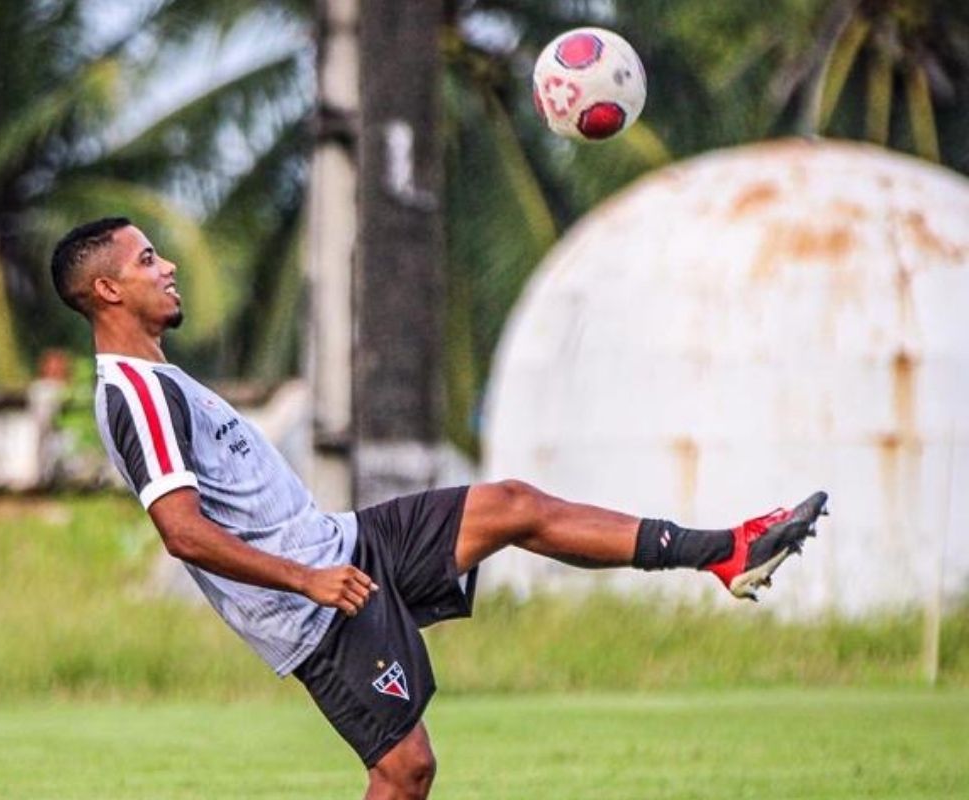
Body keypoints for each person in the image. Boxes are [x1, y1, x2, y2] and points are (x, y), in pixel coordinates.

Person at [49, 217, 828, 800]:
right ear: (109, 289)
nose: (169, 265)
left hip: (346, 544)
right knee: (406, 770)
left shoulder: (166, 380)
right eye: (149, 258)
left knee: (514, 505)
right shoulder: (135, 394)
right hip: (316, 608)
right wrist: (305, 581)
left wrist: (322, 562)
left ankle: (726, 550)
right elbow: (182, 534)